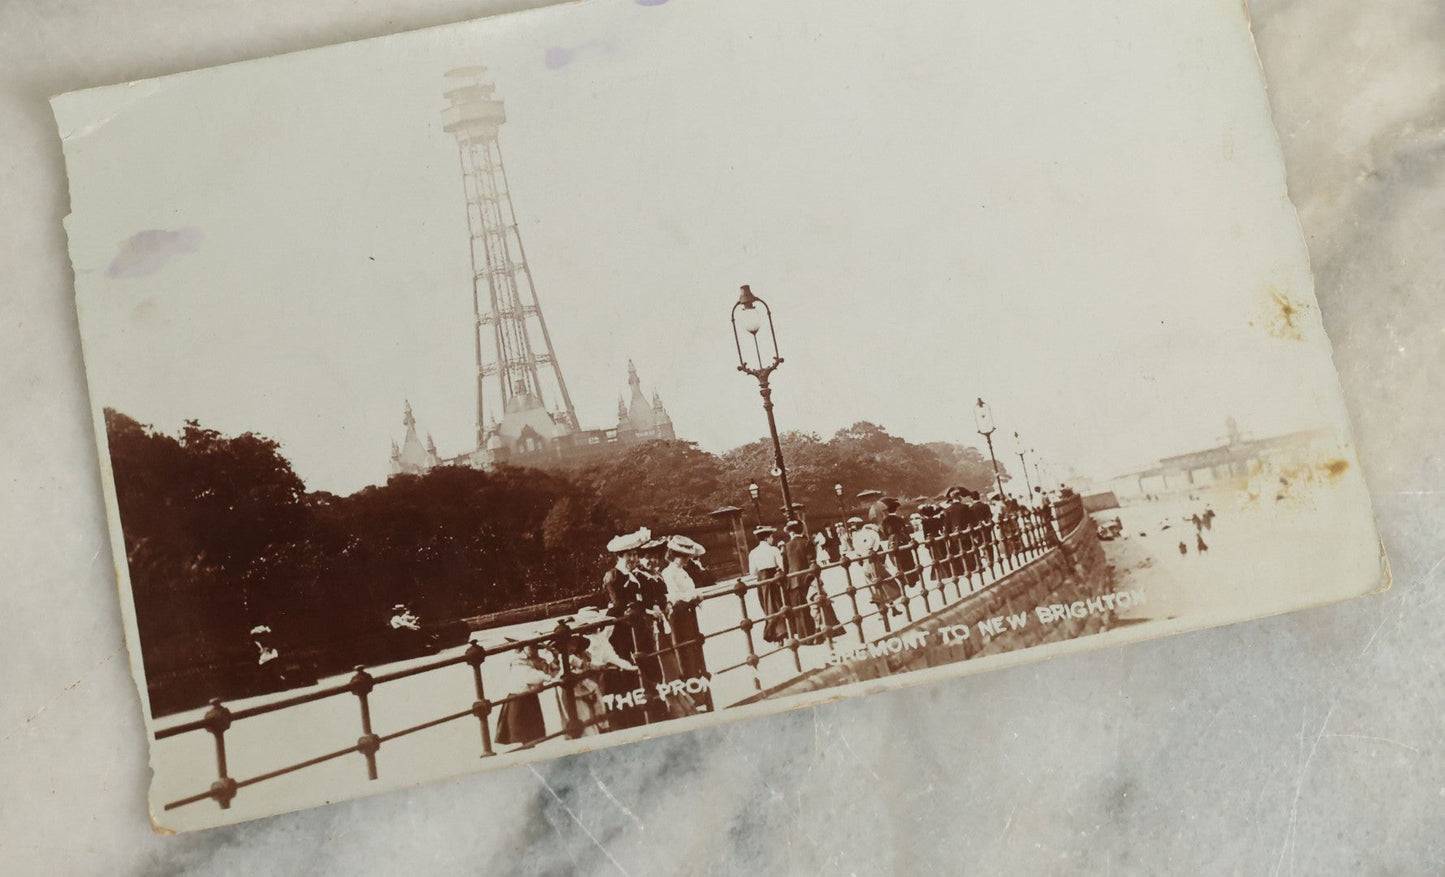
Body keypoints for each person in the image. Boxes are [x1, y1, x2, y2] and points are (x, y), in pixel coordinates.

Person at [660, 536, 708, 687]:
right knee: (684, 648)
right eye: (683, 556)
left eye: (687, 556)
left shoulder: (682, 571)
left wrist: (694, 597)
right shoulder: (669, 572)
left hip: (688, 613)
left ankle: (697, 681)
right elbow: (674, 595)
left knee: (692, 647)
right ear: (674, 555)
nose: (687, 559)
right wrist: (693, 597)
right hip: (678, 615)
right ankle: (689, 682)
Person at [495, 640, 552, 747]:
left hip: (529, 697)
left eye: (535, 647)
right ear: (523, 649)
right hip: (519, 698)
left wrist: (555, 658)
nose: (534, 650)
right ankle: (526, 747)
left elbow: (549, 671)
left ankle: (529, 746)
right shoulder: (518, 661)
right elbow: (531, 676)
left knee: (530, 731)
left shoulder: (535, 661)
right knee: (522, 730)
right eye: (530, 647)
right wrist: (547, 676)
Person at [781, 520, 825, 644]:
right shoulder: (807, 543)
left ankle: (805, 638)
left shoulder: (786, 546)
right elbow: (812, 561)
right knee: (815, 606)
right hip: (808, 579)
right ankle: (819, 634)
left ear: (792, 532)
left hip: (793, 582)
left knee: (800, 611)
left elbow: (785, 566)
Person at [849, 517, 902, 617]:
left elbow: (857, 552)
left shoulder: (856, 536)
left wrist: (861, 559)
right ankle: (891, 608)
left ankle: (884, 611)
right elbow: (877, 547)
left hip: (866, 563)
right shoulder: (869, 534)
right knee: (884, 585)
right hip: (874, 562)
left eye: (853, 524)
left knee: (875, 587)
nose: (853, 526)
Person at [749, 526, 789, 644]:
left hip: (762, 581)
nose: (772, 539)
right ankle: (783, 633)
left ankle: (775, 636)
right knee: (778, 603)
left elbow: (752, 572)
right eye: (771, 537)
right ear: (767, 538)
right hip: (775, 578)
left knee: (768, 606)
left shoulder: (753, 552)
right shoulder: (774, 550)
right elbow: (781, 565)